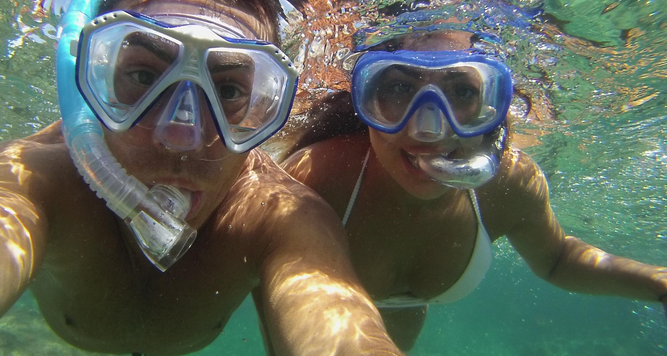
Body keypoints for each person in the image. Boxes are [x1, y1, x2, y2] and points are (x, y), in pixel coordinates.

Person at [0, 0, 405, 356]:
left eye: (228, 90)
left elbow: (337, 325)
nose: (180, 136)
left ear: (265, 105)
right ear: (90, 79)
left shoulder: (276, 215)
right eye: (143, 78)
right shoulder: (33, 181)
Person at [281, 23, 667, 351]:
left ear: (493, 105)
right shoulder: (314, 179)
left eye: (463, 91)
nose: (428, 129)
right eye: (399, 89)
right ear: (365, 99)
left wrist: (657, 282)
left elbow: (557, 259)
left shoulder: (510, 184)